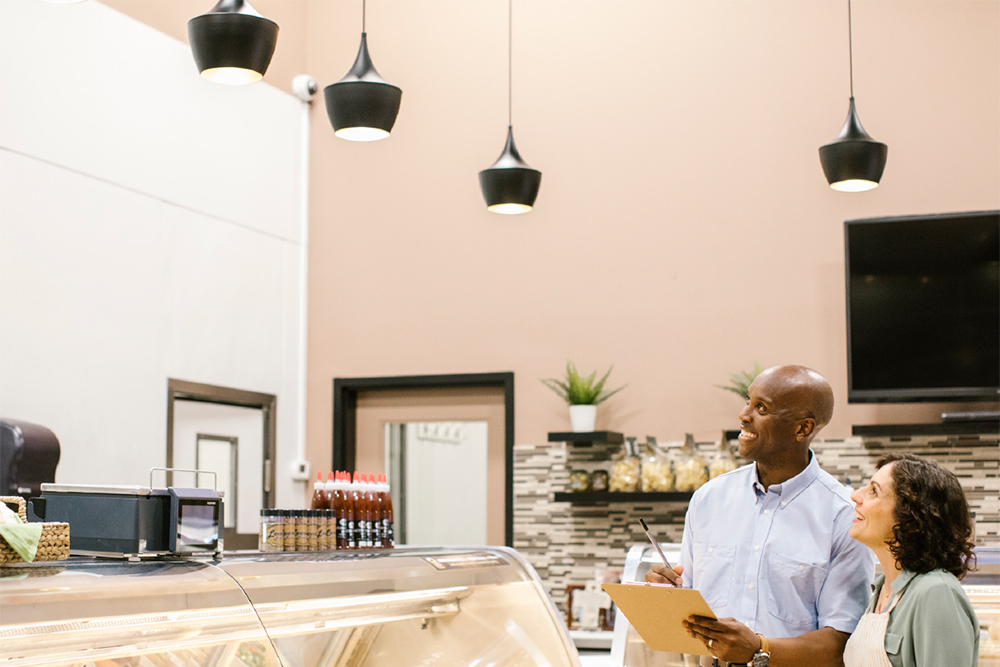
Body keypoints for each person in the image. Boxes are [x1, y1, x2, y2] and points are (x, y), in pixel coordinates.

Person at [646, 364, 875, 666]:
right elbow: (690, 607)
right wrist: (668, 596)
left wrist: (758, 649)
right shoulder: (708, 498)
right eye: (748, 401)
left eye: (762, 408)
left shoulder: (845, 515)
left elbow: (840, 643)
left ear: (803, 428)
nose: (744, 415)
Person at [844, 453, 979, 667]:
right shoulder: (881, 591)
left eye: (873, 491)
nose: (856, 496)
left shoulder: (936, 592)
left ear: (910, 516)